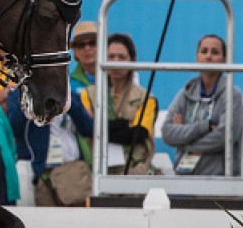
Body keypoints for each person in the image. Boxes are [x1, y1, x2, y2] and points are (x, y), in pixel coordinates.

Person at [161, 35, 243, 175]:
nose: (209, 56)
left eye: (215, 52)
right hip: (185, 177)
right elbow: (167, 132)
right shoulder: (186, 92)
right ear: (197, 57)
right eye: (204, 51)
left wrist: (184, 142)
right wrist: (204, 127)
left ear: (224, 60)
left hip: (220, 179)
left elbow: (225, 136)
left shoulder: (232, 94)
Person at [81, 33, 157, 175]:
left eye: (121, 57)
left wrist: (102, 127)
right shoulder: (88, 95)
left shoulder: (146, 98)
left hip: (134, 169)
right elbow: (88, 128)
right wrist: (123, 123)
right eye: (111, 57)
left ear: (132, 60)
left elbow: (138, 133)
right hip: (97, 170)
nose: (115, 62)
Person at [8, 87, 94, 206]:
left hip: (71, 170)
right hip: (40, 172)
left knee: (77, 220)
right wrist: (30, 99)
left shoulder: (70, 95)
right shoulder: (19, 94)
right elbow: (14, 127)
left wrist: (68, 101)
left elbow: (88, 128)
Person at [70, 21, 98, 93]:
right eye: (81, 45)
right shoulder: (67, 84)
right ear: (75, 52)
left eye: (93, 43)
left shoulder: (117, 79)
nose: (87, 48)